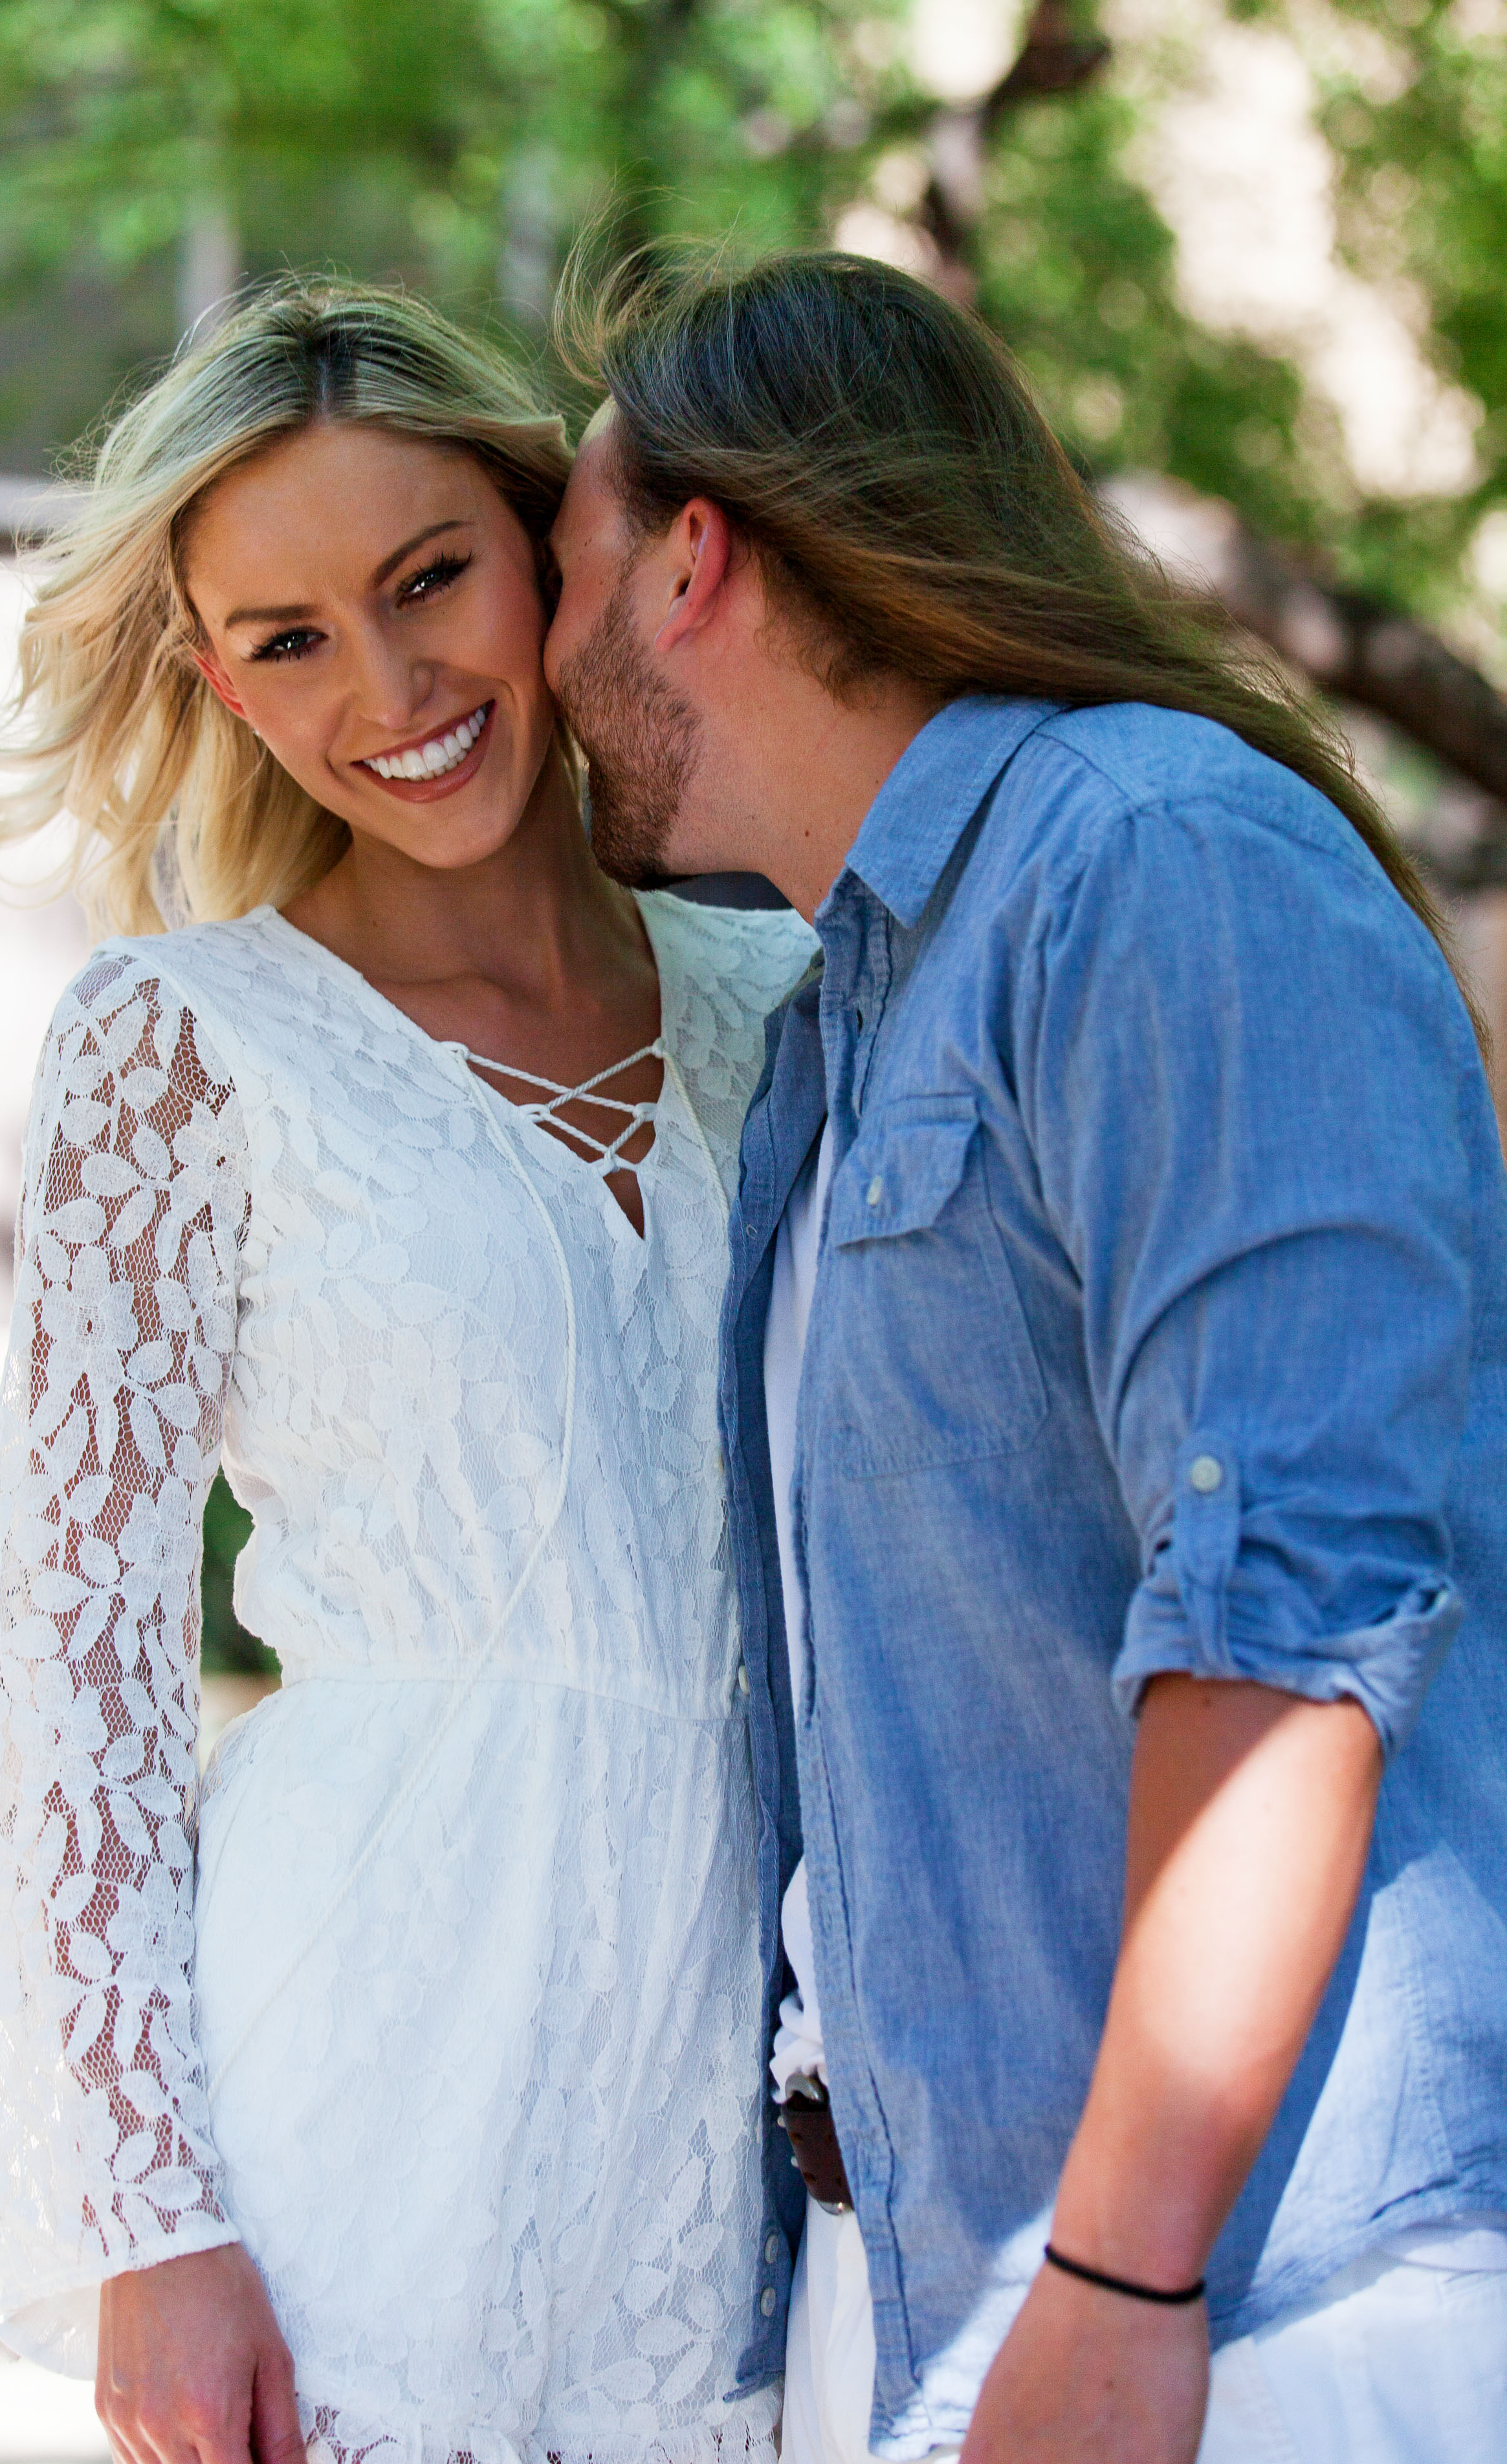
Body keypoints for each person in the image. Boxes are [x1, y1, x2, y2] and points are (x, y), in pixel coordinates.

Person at [542, 247, 1507, 2463]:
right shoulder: (851, 1010)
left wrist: (1119, 2272)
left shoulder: (1153, 858)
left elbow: (1287, 1619)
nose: (529, 641)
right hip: (945, 2282)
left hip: (1267, 2299)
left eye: (557, 556)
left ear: (696, 559)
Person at [0, 278, 816, 2464]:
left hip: (739, 2102)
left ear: (552, 552)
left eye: (430, 577)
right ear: (217, 685)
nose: (395, 686)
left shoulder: (795, 989)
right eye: (289, 637)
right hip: (360, 2093)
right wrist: (145, 2223)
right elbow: (77, 1669)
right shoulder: (178, 1047)